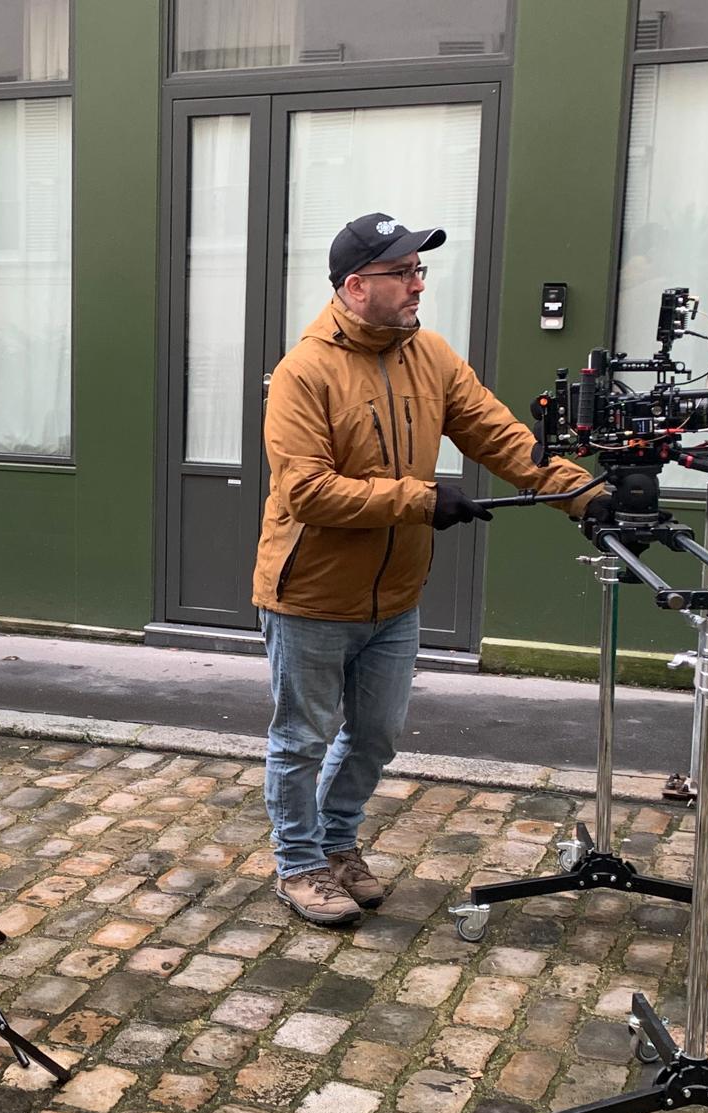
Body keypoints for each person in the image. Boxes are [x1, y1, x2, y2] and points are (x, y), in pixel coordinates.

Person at [255, 212, 596, 927]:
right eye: (402, 272)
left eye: (420, 271)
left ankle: (336, 844)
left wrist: (585, 495)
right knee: (301, 740)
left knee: (375, 736)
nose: (417, 285)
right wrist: (419, 499)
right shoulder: (303, 372)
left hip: (396, 596)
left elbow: (502, 438)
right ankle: (299, 865)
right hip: (311, 596)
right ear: (356, 286)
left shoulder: (432, 356)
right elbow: (306, 491)